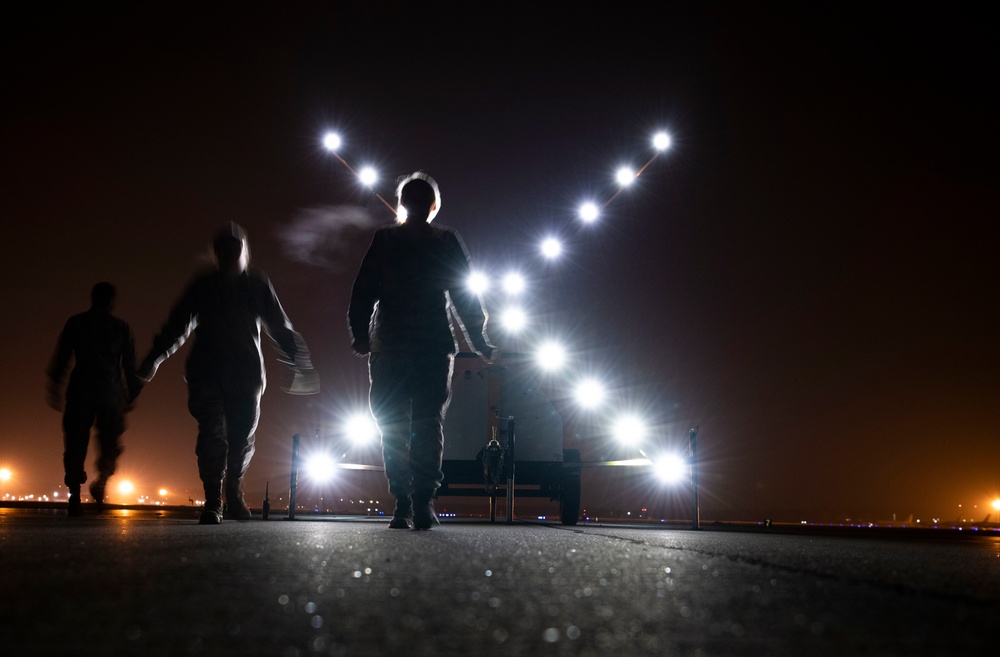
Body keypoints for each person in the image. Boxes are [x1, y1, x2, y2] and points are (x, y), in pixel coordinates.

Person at [138, 222, 319, 525]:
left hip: (246, 376)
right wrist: (153, 360)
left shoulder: (257, 284)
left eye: (235, 247)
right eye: (223, 248)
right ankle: (212, 500)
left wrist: (298, 362)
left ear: (244, 251)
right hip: (207, 372)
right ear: (216, 253)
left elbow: (279, 326)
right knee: (212, 434)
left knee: (241, 439)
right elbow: (177, 326)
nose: (229, 253)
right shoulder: (203, 286)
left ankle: (232, 487)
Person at [349, 172, 494, 530]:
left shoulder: (385, 240)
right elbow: (465, 296)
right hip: (432, 347)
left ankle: (402, 504)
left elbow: (363, 291)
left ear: (401, 204)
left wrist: (361, 335)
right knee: (428, 424)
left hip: (389, 346)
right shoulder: (444, 241)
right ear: (433, 206)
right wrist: (479, 342)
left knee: (393, 426)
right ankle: (423, 502)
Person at [47, 282, 142, 516]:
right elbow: (129, 366)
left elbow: (62, 357)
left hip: (82, 390)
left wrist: (55, 385)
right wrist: (131, 393)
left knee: (75, 443)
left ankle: (75, 494)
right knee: (109, 444)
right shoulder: (120, 327)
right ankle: (100, 480)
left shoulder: (77, 323)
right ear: (112, 301)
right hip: (109, 394)